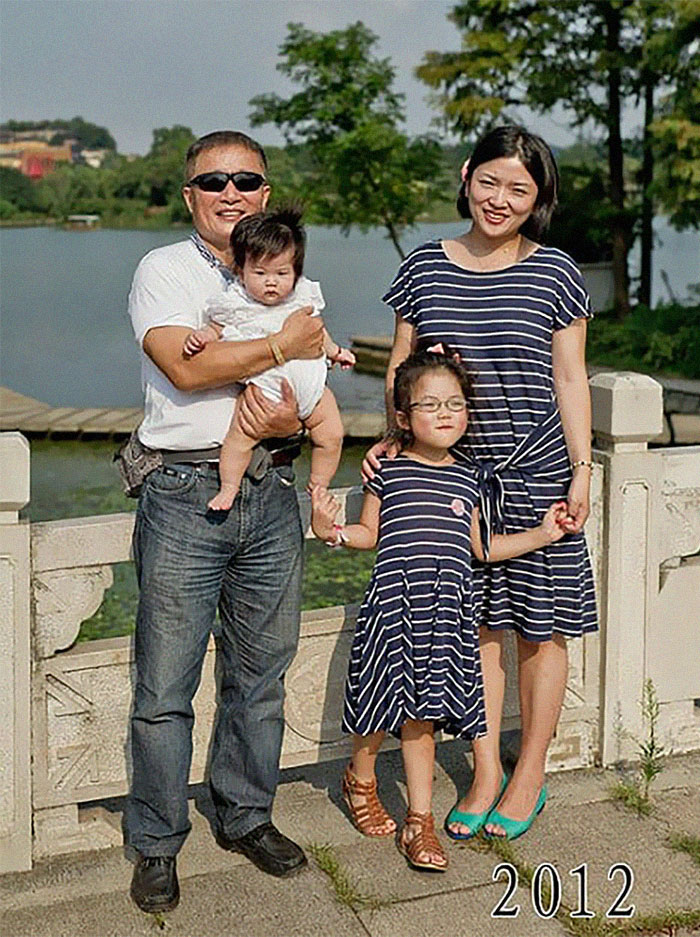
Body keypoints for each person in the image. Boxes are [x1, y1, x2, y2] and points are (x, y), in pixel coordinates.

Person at [364, 125, 598, 843]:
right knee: (478, 630)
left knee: (540, 630)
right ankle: (485, 768)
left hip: (536, 469)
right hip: (456, 478)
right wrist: (395, 439)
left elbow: (570, 378)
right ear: (466, 176)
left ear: (538, 200)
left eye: (519, 190)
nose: (500, 199)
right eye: (490, 181)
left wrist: (584, 467)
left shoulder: (557, 273)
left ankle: (530, 771)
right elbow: (400, 366)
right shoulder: (425, 267)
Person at [125, 130, 325, 915]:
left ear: (265, 194)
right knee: (164, 684)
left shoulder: (285, 267)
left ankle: (245, 813)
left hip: (271, 490)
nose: (231, 192)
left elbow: (308, 372)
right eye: (215, 182)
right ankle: (156, 839)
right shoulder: (166, 270)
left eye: (246, 179)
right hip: (182, 492)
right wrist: (281, 341)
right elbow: (185, 364)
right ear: (191, 196)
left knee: (262, 672)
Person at [312, 348, 569, 871]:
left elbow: (483, 548)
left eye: (456, 403)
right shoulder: (388, 470)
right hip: (393, 609)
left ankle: (419, 823)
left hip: (446, 617)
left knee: (421, 717)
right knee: (375, 711)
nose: (446, 413)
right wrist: (330, 531)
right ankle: (360, 780)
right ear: (403, 417)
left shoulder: (471, 478)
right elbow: (368, 533)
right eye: (430, 405)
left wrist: (543, 533)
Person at [183, 207, 352, 511]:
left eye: (281, 274)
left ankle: (319, 484)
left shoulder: (303, 297)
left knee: (332, 434)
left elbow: (318, 332)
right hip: (264, 391)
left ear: (296, 272)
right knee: (238, 440)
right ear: (240, 271)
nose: (271, 282)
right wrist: (203, 336)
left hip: (313, 390)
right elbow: (216, 329)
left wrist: (336, 352)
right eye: (259, 273)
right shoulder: (235, 303)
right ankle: (229, 487)